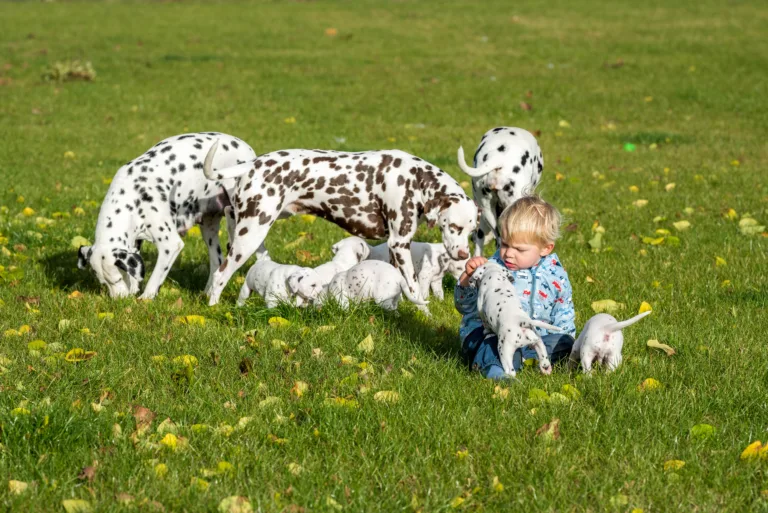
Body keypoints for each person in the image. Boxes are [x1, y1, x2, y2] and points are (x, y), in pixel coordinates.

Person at [454, 196, 576, 379]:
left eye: (519, 249)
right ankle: (496, 371)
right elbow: (464, 306)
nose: (509, 254)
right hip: (492, 334)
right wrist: (467, 278)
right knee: (491, 344)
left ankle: (527, 358)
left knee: (565, 342)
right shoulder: (492, 268)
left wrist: (568, 340)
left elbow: (563, 312)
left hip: (532, 337)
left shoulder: (556, 275)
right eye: (504, 244)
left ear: (545, 248)